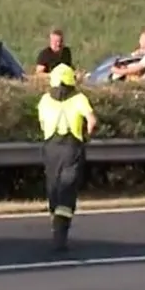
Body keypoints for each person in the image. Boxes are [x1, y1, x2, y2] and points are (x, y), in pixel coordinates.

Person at [36, 64, 96, 253]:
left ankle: (56, 227)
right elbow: (92, 120)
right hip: (71, 148)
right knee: (67, 190)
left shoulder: (45, 100)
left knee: (54, 188)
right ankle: (60, 237)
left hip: (51, 148)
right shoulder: (79, 98)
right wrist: (87, 136)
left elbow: (42, 123)